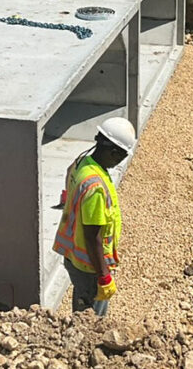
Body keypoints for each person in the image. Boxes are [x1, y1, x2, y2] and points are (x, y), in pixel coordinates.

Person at [53, 117, 136, 316]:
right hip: (88, 265)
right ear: (113, 152)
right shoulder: (95, 187)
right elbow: (93, 237)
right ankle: (83, 346)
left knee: (83, 303)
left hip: (74, 255)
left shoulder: (82, 163)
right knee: (90, 318)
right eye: (121, 156)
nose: (120, 161)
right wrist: (104, 276)